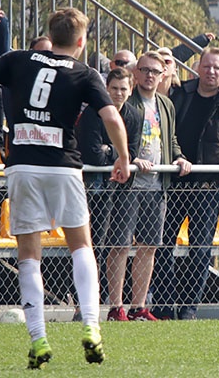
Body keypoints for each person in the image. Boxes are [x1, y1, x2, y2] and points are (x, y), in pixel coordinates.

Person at [0, 7, 131, 368]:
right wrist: (124, 157)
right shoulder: (85, 72)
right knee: (81, 246)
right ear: (81, 41)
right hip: (64, 166)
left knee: (28, 255)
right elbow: (112, 116)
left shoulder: (18, 59)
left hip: (22, 166)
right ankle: (91, 327)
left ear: (50, 37)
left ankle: (38, 339)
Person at [153, 47, 219, 321]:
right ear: (197, 68)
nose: (211, 71)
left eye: (217, 68)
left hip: (208, 189)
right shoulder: (180, 94)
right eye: (207, 66)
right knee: (162, 244)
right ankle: (164, 306)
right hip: (174, 183)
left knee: (201, 249)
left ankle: (190, 308)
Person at [103, 53, 191, 322]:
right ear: (136, 73)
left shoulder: (165, 104)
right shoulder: (126, 101)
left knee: (149, 247)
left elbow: (171, 138)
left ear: (163, 74)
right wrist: (128, 159)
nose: (150, 75)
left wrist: (179, 157)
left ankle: (139, 306)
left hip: (157, 186)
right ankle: (116, 306)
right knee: (119, 246)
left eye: (156, 70)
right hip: (126, 186)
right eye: (145, 70)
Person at [76, 66, 141, 320]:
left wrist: (109, 152)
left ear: (130, 89)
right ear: (106, 88)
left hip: (122, 186)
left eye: (123, 88)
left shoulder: (134, 115)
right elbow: (91, 152)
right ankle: (83, 304)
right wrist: (117, 155)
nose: (118, 93)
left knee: (117, 244)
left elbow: (133, 151)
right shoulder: (94, 112)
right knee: (91, 245)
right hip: (93, 186)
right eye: (114, 88)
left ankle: (113, 305)